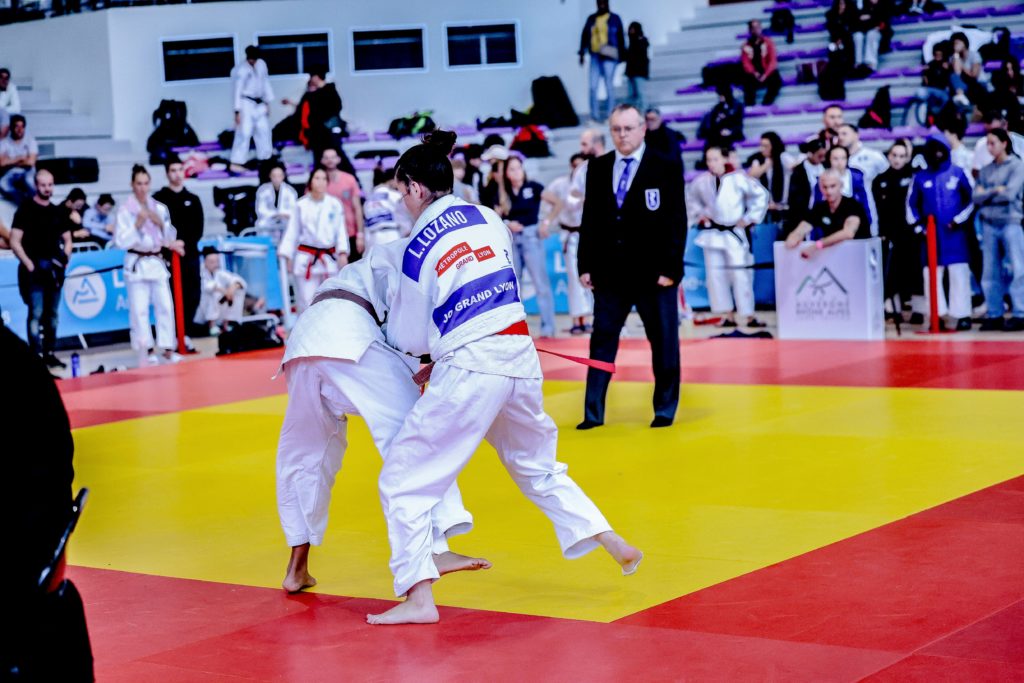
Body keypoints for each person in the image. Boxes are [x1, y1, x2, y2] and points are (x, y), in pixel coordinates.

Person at [367, 130, 642, 626]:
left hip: (471, 369)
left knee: (403, 480)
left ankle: (418, 597)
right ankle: (609, 538)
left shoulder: (417, 247)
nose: (402, 201)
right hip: (518, 356)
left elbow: (409, 334)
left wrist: (432, 348)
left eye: (401, 191)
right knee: (537, 466)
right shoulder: (487, 217)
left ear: (414, 188)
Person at [276, 235, 486, 595]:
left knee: (305, 455)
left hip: (304, 341)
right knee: (415, 435)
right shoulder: (417, 253)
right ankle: (437, 549)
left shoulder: (375, 262)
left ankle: (297, 568)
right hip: (349, 335)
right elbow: (409, 330)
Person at [577, 104, 686, 429]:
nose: (622, 135)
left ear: (642, 129)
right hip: (609, 273)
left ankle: (664, 408)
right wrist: (585, 264)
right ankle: (593, 413)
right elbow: (590, 220)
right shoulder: (598, 167)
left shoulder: (665, 165)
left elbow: (677, 221)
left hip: (655, 273)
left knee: (664, 342)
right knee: (601, 341)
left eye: (628, 128)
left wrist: (672, 269)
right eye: (616, 129)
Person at [689, 146, 769, 328]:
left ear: (725, 159)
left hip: (734, 233)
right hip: (712, 233)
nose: (712, 163)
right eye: (709, 160)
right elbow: (691, 200)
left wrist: (749, 218)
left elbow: (761, 196)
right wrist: (700, 215)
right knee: (716, 276)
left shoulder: (739, 179)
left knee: (741, 275)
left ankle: (748, 315)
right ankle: (727, 315)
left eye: (715, 159)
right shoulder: (702, 181)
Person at [115, 165, 186, 365]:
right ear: (132, 185)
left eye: (146, 183)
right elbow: (120, 241)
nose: (142, 188)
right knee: (140, 310)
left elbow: (169, 237)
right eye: (139, 184)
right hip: (136, 263)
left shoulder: (159, 208)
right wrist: (137, 224)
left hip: (156, 261)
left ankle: (168, 349)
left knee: (165, 306)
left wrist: (161, 224)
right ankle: (147, 349)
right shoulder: (125, 211)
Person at [907, 133, 974, 330]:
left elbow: (971, 199)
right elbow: (911, 205)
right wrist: (919, 227)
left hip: (954, 234)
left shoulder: (958, 172)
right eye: (932, 150)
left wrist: (958, 220)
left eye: (940, 149)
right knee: (931, 275)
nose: (936, 153)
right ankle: (937, 315)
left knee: (959, 273)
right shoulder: (920, 177)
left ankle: (962, 315)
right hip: (930, 236)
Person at [8, 168, 72, 367]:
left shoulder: (57, 211)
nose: (47, 188)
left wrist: (65, 259)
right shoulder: (26, 209)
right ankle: (36, 356)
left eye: (50, 185)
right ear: (36, 185)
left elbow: (68, 239)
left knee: (52, 316)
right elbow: (14, 240)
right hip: (33, 273)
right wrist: (28, 264)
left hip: (54, 273)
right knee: (35, 314)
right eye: (43, 185)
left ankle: (50, 353)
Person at [497, 154, 556, 338]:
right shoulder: (503, 193)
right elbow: (496, 215)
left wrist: (546, 223)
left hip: (531, 236)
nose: (516, 172)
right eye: (512, 169)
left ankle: (548, 328)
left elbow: (558, 203)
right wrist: (507, 223)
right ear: (506, 173)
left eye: (518, 168)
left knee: (541, 283)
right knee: (514, 285)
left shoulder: (533, 187)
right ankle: (517, 330)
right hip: (511, 239)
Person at [279, 166, 349, 314]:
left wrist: (342, 252)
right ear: (310, 182)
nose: (321, 182)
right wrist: (288, 255)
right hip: (306, 258)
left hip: (328, 258)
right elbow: (292, 232)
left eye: (324, 179)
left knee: (331, 299)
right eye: (317, 178)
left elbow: (341, 231)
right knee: (307, 300)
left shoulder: (334, 204)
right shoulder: (300, 205)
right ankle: (307, 327)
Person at [973, 129, 1024, 331]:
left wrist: (987, 192)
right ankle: (994, 313)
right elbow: (975, 197)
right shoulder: (986, 170)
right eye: (987, 143)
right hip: (989, 223)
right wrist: (996, 190)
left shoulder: (1017, 166)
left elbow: (1010, 194)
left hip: (1011, 222)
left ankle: (1020, 312)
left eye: (993, 143)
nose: (989, 147)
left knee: (1017, 268)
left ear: (1004, 143)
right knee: (989, 271)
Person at [154, 155, 205, 338]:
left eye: (180, 170)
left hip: (189, 254)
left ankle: (186, 334)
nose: (177, 174)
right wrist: (170, 244)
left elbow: (198, 228)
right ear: (167, 174)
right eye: (173, 170)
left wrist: (183, 242)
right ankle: (173, 336)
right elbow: (156, 228)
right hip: (168, 257)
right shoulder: (159, 199)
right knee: (171, 296)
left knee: (193, 294)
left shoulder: (193, 199)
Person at [542, 153, 592, 334]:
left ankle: (589, 319)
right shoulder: (561, 184)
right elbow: (545, 196)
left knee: (591, 278)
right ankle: (577, 320)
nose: (579, 170)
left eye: (582, 166)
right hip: (569, 235)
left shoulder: (592, 183)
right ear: (571, 166)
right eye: (576, 165)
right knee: (574, 278)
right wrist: (549, 220)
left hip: (588, 234)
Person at [872, 140, 919, 314]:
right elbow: (877, 209)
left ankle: (918, 309)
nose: (897, 159)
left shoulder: (914, 177)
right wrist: (881, 232)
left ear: (907, 158)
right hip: (889, 233)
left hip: (910, 231)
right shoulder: (880, 180)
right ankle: (893, 307)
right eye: (894, 155)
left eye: (901, 156)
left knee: (913, 270)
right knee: (892, 271)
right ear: (889, 156)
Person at [786, 170, 870, 259]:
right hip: (835, 256)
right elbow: (804, 226)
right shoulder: (820, 208)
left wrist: (817, 245)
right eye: (825, 187)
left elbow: (848, 233)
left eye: (833, 186)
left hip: (859, 254)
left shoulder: (853, 205)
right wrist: (795, 236)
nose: (829, 191)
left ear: (841, 185)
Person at [280, 70, 353, 172]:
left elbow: (335, 108)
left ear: (316, 77)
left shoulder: (329, 90)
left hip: (329, 132)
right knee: (320, 159)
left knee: (336, 156)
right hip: (318, 134)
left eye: (312, 77)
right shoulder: (312, 95)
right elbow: (304, 110)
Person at [578, 0, 626, 122]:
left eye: (604, 3)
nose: (602, 5)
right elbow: (584, 35)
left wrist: (622, 56)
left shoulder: (614, 18)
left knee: (609, 85)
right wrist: (582, 53)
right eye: (600, 3)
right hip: (595, 55)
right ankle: (594, 116)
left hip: (609, 55)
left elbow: (620, 37)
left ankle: (611, 115)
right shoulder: (591, 18)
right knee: (592, 86)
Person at [230, 45, 274, 171]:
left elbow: (265, 83)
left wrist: (268, 102)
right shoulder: (241, 70)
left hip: (260, 102)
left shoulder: (262, 65)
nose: (253, 61)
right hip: (245, 102)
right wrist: (237, 111)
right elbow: (237, 91)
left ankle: (265, 158)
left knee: (263, 129)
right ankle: (237, 161)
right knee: (244, 131)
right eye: (251, 58)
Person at [838, 124, 886, 235]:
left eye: (844, 133)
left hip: (868, 206)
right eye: (838, 134)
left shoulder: (874, 156)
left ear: (856, 135)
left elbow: (888, 175)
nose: (840, 137)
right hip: (842, 211)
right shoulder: (834, 157)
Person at [813, 145, 872, 230]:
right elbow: (816, 205)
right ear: (829, 160)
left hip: (855, 221)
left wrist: (869, 222)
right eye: (835, 159)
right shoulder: (823, 179)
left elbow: (865, 202)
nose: (839, 162)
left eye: (843, 158)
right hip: (829, 224)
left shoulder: (857, 178)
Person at [322, 146, 365, 259]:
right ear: (322, 161)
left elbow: (357, 208)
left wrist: (360, 234)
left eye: (333, 157)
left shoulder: (349, 179)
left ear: (338, 159)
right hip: (328, 236)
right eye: (326, 158)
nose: (330, 160)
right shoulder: (318, 182)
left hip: (351, 233)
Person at [195, 247, 247, 335]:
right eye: (212, 262)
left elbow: (237, 280)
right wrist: (225, 291)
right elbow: (208, 286)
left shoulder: (219, 272)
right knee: (214, 293)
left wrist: (233, 288)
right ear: (205, 262)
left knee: (237, 291)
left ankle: (226, 324)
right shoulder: (200, 272)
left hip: (219, 310)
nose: (215, 264)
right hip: (203, 311)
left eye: (217, 261)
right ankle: (211, 326)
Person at [746, 132, 793, 225]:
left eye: (766, 146)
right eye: (761, 145)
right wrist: (766, 165)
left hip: (783, 206)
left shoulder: (783, 156)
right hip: (765, 207)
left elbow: (795, 166)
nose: (762, 149)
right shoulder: (758, 159)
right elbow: (752, 175)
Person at [785, 138, 828, 235]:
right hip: (805, 212)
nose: (823, 159)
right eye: (820, 156)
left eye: (824, 156)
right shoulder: (798, 171)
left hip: (824, 211)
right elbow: (794, 198)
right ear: (810, 153)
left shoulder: (826, 167)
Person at [363, 167, 411, 249]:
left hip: (373, 239)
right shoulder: (395, 196)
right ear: (392, 180)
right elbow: (404, 217)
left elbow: (366, 224)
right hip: (392, 235)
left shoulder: (368, 199)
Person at [740, 19, 783, 106]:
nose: (756, 30)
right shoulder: (745, 45)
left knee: (776, 80)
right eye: (753, 28)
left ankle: (766, 103)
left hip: (767, 71)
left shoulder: (768, 42)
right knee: (746, 80)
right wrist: (754, 73)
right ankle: (750, 105)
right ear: (750, 30)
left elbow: (773, 61)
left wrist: (765, 75)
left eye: (758, 27)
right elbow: (746, 63)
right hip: (754, 73)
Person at [255, 161, 298, 242]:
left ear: (283, 176)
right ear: (270, 176)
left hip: (285, 219)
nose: (276, 179)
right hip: (269, 219)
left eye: (279, 176)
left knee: (292, 225)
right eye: (274, 176)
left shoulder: (290, 191)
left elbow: (293, 209)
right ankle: (265, 245)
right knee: (261, 224)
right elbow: (260, 209)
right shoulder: (263, 190)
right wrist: (275, 214)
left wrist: (283, 214)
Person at [0, 114, 38, 205]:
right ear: (11, 128)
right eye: (17, 126)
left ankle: (37, 206)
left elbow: (30, 162)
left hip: (28, 171)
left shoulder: (31, 141)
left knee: (29, 182)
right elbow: (1, 163)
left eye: (22, 127)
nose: (20, 130)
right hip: (12, 172)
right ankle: (23, 206)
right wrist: (20, 158)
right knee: (3, 184)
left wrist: (10, 160)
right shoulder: (4, 143)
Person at [972, 111, 1024, 175]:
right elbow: (976, 170)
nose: (993, 135)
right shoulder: (981, 144)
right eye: (990, 132)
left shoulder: (1021, 142)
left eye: (997, 131)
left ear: (1005, 125)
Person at [697, 84, 744, 151]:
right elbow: (713, 123)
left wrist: (730, 131)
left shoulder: (738, 106)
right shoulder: (717, 108)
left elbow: (738, 123)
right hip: (719, 133)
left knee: (724, 139)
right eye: (719, 95)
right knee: (711, 139)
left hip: (732, 132)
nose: (720, 97)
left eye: (722, 95)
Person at [949, 32, 986, 110]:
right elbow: (957, 73)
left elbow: (974, 75)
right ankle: (960, 96)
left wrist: (962, 65)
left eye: (957, 43)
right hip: (963, 85)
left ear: (964, 43)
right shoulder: (954, 57)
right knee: (952, 76)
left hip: (977, 84)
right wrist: (956, 55)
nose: (955, 46)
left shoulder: (974, 55)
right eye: (954, 44)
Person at [851, 0, 885, 74]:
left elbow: (882, 20)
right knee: (858, 36)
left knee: (871, 34)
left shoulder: (878, 5)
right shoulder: (857, 4)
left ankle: (871, 63)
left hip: (874, 30)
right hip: (860, 30)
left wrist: (871, 17)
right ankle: (858, 63)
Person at [625, 22, 650, 113]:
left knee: (640, 93)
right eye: (630, 29)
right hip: (631, 72)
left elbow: (643, 58)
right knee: (631, 95)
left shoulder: (641, 41)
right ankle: (632, 113)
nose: (631, 31)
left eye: (633, 29)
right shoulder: (631, 42)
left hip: (639, 72)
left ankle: (643, 112)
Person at [0, 67, 22, 136]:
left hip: (4, 116)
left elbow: (17, 108)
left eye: (6, 78)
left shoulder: (12, 87)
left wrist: (2, 111)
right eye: (1, 77)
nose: (4, 80)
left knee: (20, 120)